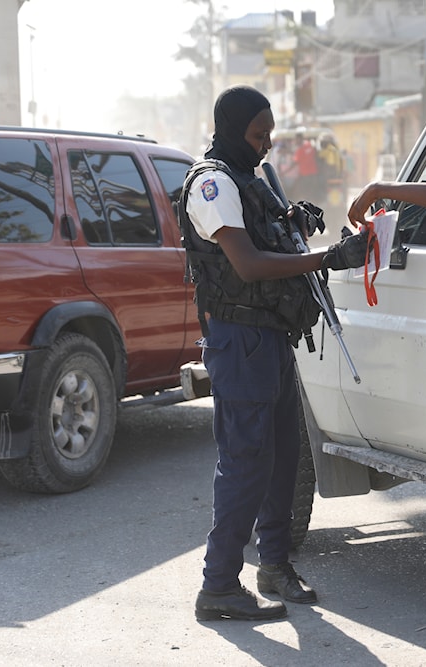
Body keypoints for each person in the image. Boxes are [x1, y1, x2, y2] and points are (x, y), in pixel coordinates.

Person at [178, 85, 368, 623]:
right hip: (239, 340)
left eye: (269, 135)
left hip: (270, 336)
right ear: (233, 129)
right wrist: (327, 258)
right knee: (246, 464)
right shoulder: (212, 184)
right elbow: (248, 265)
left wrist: (292, 223)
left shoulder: (246, 182)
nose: (266, 145)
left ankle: (275, 566)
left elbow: (266, 239)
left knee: (285, 458)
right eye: (259, 134)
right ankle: (218, 586)